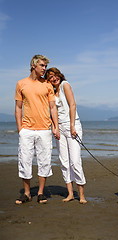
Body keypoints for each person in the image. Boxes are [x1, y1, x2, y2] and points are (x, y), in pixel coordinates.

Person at [15, 55, 60, 204]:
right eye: (42, 65)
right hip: (27, 130)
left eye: (45, 66)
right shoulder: (21, 84)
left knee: (44, 161)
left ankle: (40, 193)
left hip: (44, 130)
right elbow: (18, 107)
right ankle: (27, 193)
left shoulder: (47, 85)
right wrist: (20, 129)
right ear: (33, 65)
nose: (44, 69)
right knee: (25, 160)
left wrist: (56, 127)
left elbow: (53, 107)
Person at [45, 67, 87, 204]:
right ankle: (70, 194)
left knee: (75, 161)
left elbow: (73, 105)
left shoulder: (65, 85)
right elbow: (52, 112)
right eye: (50, 77)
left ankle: (81, 195)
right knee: (64, 161)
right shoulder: (51, 91)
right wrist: (55, 128)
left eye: (55, 75)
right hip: (60, 128)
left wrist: (72, 125)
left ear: (59, 75)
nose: (53, 78)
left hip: (72, 125)